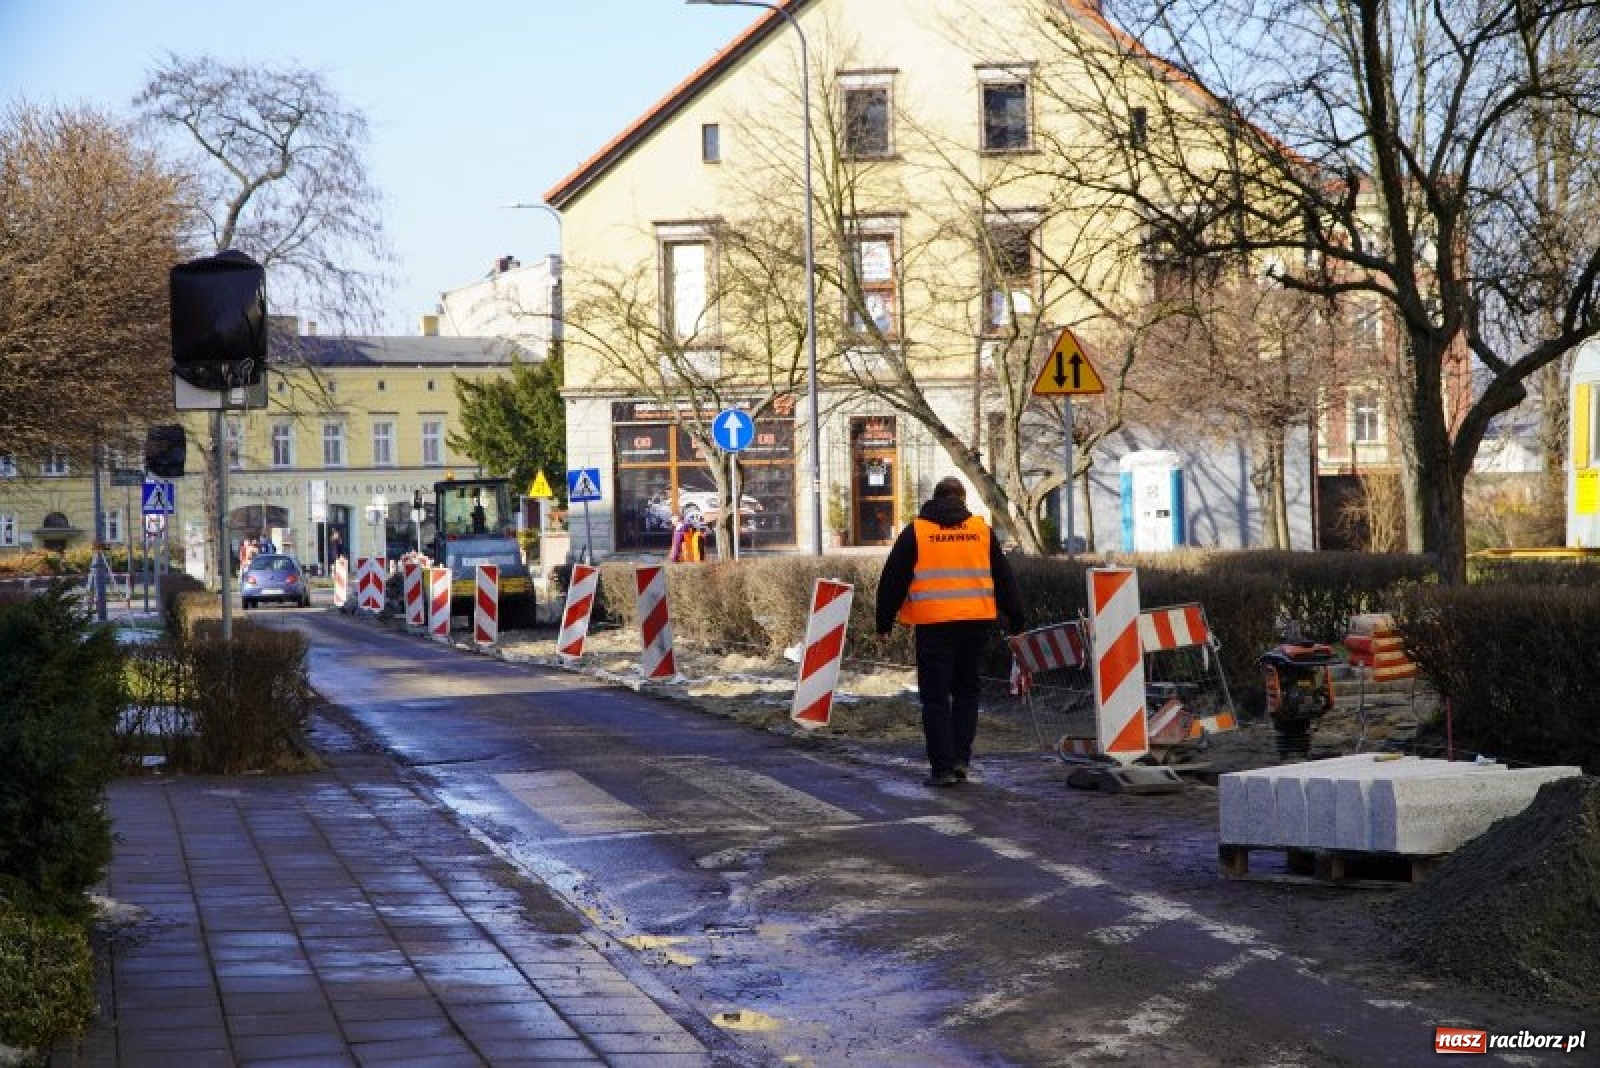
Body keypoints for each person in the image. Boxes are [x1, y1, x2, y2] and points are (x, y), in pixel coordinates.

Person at [875, 476, 1025, 787]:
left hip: (933, 626)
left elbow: (892, 580)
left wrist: (883, 623)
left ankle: (942, 769)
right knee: (967, 693)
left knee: (935, 698)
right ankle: (960, 760)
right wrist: (1016, 621)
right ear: (962, 500)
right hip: (974, 624)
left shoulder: (917, 531)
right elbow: (1004, 578)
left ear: (934, 498)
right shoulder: (981, 531)